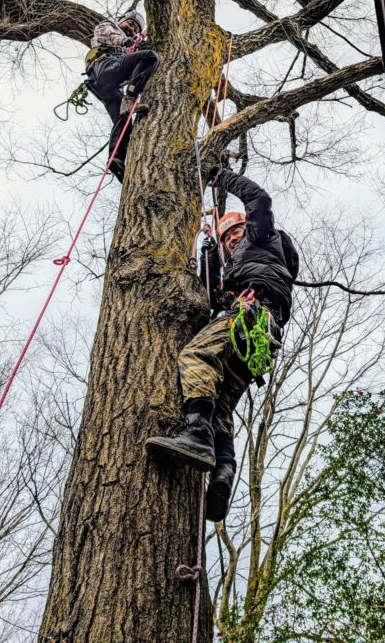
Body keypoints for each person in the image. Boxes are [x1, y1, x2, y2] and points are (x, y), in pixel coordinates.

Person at [145, 168, 298, 522]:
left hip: (252, 316)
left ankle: (196, 434)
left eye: (236, 231)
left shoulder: (262, 238)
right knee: (223, 408)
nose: (233, 237)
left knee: (197, 355)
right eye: (228, 235)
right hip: (258, 337)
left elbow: (259, 199)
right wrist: (210, 253)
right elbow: (209, 297)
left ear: (248, 228)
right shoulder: (238, 264)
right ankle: (223, 472)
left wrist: (218, 175)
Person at [84, 10, 160, 182]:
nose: (132, 29)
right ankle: (131, 97)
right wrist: (127, 41)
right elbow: (108, 35)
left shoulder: (126, 47)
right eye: (130, 24)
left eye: (135, 29)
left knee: (124, 119)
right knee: (151, 57)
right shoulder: (108, 27)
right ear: (122, 20)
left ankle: (116, 159)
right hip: (105, 68)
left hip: (108, 87)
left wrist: (137, 44)